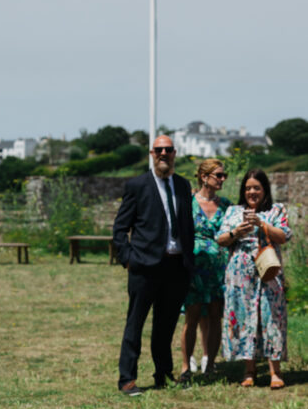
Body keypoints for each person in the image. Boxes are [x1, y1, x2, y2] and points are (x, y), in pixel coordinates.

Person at [112, 136, 195, 395]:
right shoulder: (137, 185)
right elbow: (119, 228)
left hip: (175, 267)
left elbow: (187, 226)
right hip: (144, 267)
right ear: (151, 153)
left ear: (174, 153)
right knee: (135, 324)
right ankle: (127, 379)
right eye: (158, 150)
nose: (163, 154)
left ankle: (163, 373)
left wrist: (188, 261)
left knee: (166, 324)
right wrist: (128, 259)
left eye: (168, 150)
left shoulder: (182, 185)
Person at [217, 169, 291, 388]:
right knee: (244, 318)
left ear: (264, 190)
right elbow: (220, 239)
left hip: (268, 272)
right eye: (248, 188)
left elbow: (284, 236)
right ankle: (249, 371)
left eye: (256, 188)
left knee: (272, 318)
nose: (252, 192)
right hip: (240, 275)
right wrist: (236, 233)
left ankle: (274, 372)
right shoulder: (233, 211)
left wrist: (262, 224)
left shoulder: (276, 210)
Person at [178, 160, 231, 383]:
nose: (222, 179)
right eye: (218, 175)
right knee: (192, 316)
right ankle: (185, 366)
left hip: (219, 268)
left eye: (224, 175)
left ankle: (210, 364)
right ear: (204, 177)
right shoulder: (188, 202)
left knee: (215, 316)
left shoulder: (227, 205)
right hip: (195, 267)